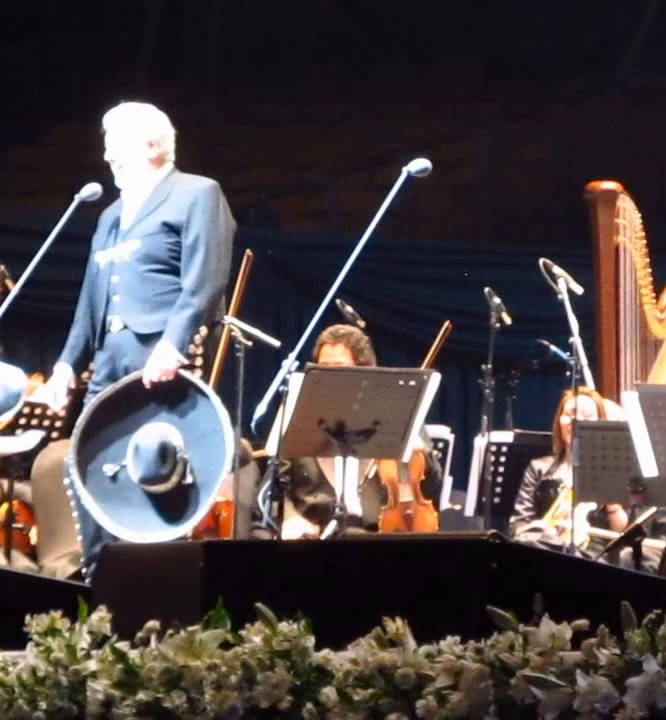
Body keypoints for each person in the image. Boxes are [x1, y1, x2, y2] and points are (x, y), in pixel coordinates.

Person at [33, 101, 235, 573]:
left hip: (160, 356)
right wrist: (66, 365)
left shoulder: (197, 194)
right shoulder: (109, 216)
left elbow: (205, 281)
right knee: (89, 466)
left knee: (155, 471)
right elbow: (90, 300)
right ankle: (101, 580)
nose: (107, 157)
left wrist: (174, 343)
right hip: (110, 359)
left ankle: (157, 591)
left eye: (116, 144)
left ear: (153, 145)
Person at [269, 324, 443, 539]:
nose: (330, 378)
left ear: (365, 371)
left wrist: (416, 445)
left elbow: (433, 489)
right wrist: (291, 517)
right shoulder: (299, 413)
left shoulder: (395, 411)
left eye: (339, 368)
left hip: (379, 536)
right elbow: (276, 487)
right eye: (323, 368)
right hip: (314, 537)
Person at [509, 386, 630, 549]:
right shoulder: (538, 468)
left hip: (598, 557)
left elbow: (626, 535)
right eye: (570, 413)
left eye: (586, 415)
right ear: (559, 420)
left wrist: (612, 503)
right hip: (545, 551)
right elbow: (519, 525)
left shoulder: (617, 472)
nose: (576, 421)